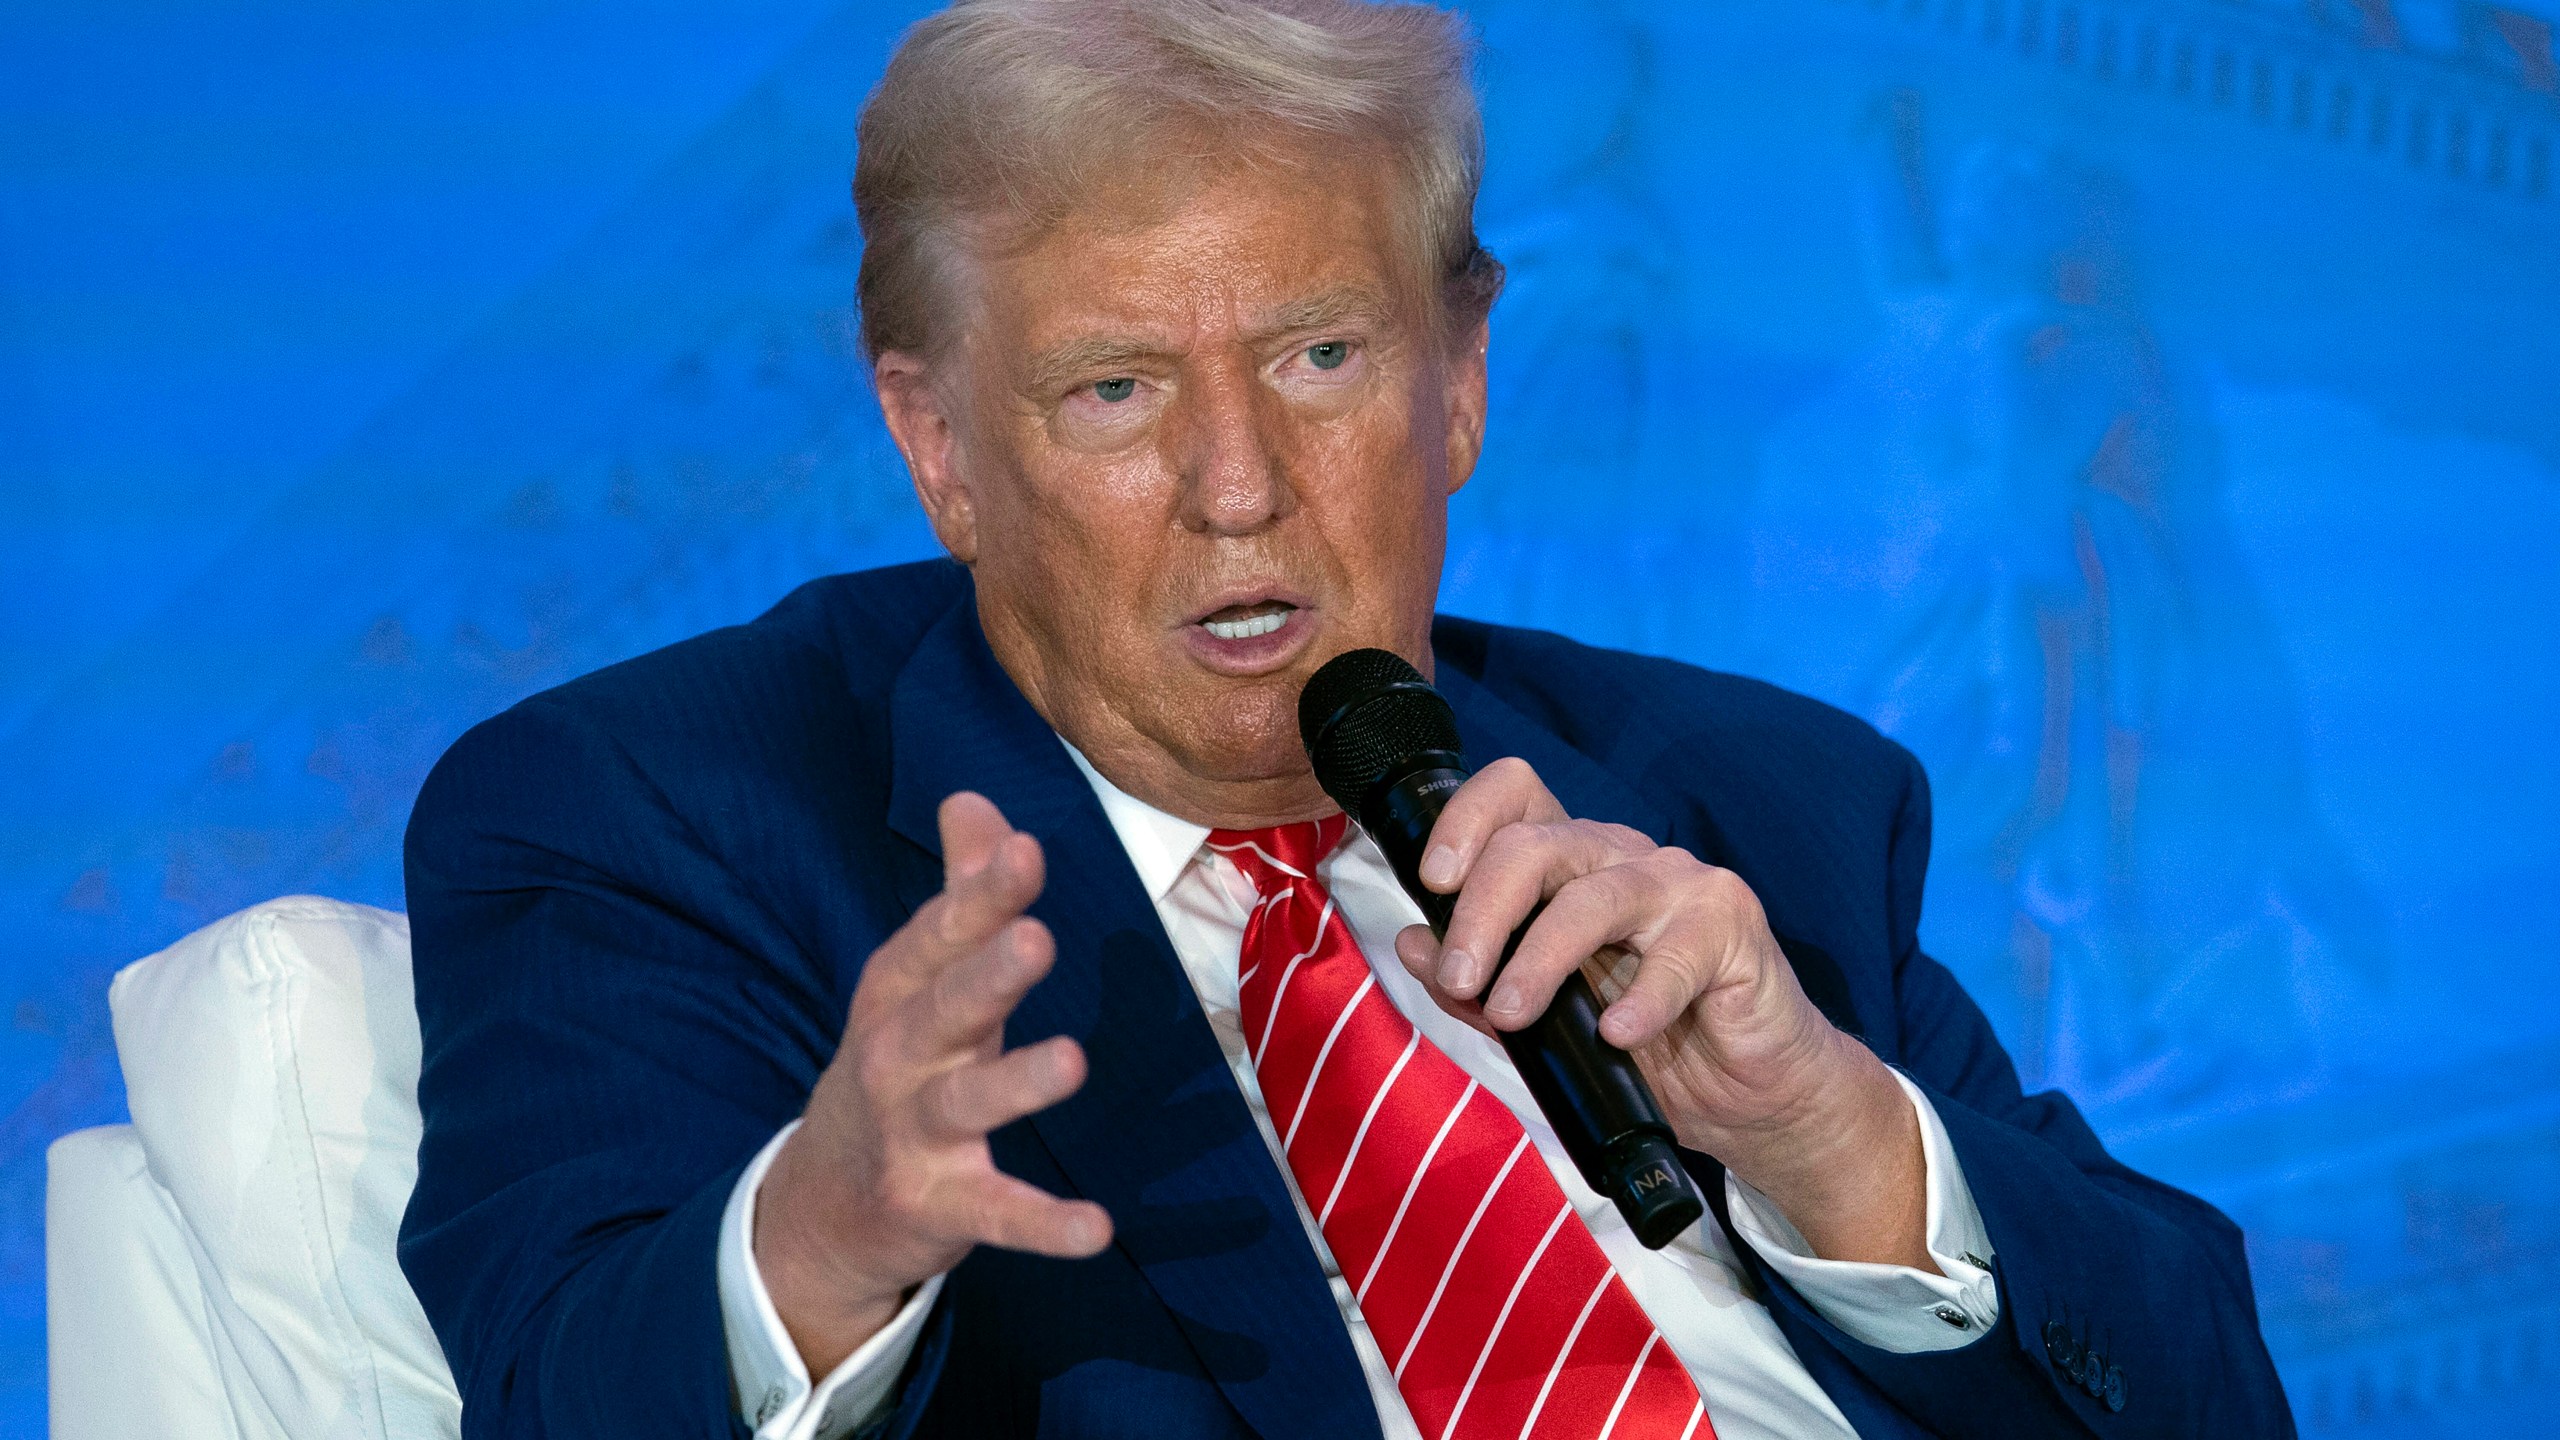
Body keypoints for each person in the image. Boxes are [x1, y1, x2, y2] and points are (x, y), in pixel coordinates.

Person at [397, 2, 2295, 1437]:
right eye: (1118, 389)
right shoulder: (663, 810)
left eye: (1321, 355)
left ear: (1460, 379)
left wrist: (1834, 1140)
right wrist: (816, 1239)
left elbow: (2209, 1382)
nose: (1242, 486)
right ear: (937, 444)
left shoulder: (1755, 799)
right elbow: (567, 1371)